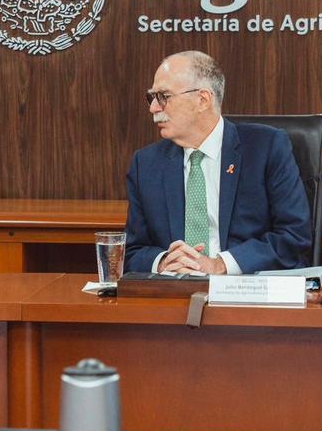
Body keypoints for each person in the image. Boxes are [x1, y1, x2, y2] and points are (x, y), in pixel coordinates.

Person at [124, 51, 311, 275]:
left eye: (163, 96)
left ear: (203, 100)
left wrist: (220, 265)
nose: (153, 108)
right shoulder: (146, 164)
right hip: (173, 290)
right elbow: (132, 251)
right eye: (152, 98)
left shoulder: (266, 148)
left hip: (246, 288)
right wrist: (164, 262)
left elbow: (294, 236)